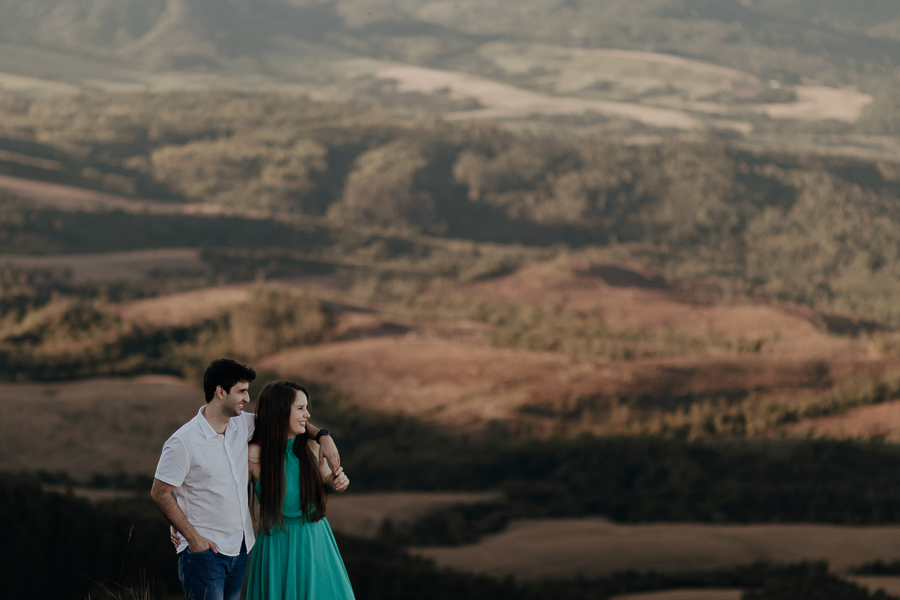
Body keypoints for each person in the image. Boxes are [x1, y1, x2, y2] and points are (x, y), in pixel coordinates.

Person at [151, 359, 341, 600]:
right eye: (241, 391)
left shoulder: (243, 423)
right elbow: (160, 492)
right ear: (220, 392)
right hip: (204, 552)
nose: (247, 398)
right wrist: (191, 537)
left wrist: (323, 436)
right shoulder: (183, 441)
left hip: (238, 550)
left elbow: (285, 419)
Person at [245, 380, 354, 600]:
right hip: (276, 549)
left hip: (316, 544)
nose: (308, 415)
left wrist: (337, 482)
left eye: (307, 408)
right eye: (301, 408)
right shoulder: (253, 455)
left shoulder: (312, 446)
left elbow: (328, 482)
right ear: (281, 411)